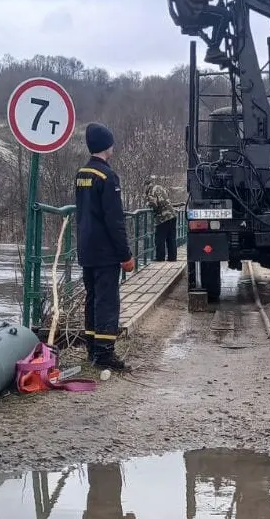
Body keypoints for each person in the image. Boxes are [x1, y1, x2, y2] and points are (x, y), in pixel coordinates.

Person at [75, 122, 135, 372]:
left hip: (86, 248)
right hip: (106, 251)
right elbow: (115, 219)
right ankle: (105, 353)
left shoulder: (82, 174)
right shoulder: (107, 177)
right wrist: (125, 255)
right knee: (108, 301)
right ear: (107, 146)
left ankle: (92, 347)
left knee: (92, 298)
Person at [144, 176, 178, 262]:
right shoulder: (160, 187)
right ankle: (172, 257)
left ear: (146, 185)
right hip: (172, 215)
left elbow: (154, 204)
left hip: (163, 217)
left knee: (160, 239)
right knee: (171, 238)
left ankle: (160, 258)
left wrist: (148, 203)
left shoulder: (151, 191)